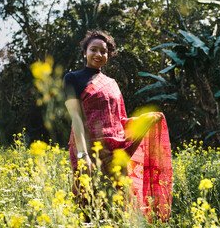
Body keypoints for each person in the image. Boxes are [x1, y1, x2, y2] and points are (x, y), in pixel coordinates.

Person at [64, 30, 172, 221]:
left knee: (117, 205)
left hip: (115, 152)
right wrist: (83, 155)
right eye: (93, 50)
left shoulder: (111, 83)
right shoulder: (72, 78)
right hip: (86, 148)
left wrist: (143, 120)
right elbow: (76, 118)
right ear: (84, 52)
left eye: (103, 51)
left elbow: (119, 121)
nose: (98, 54)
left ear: (108, 55)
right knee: (88, 202)